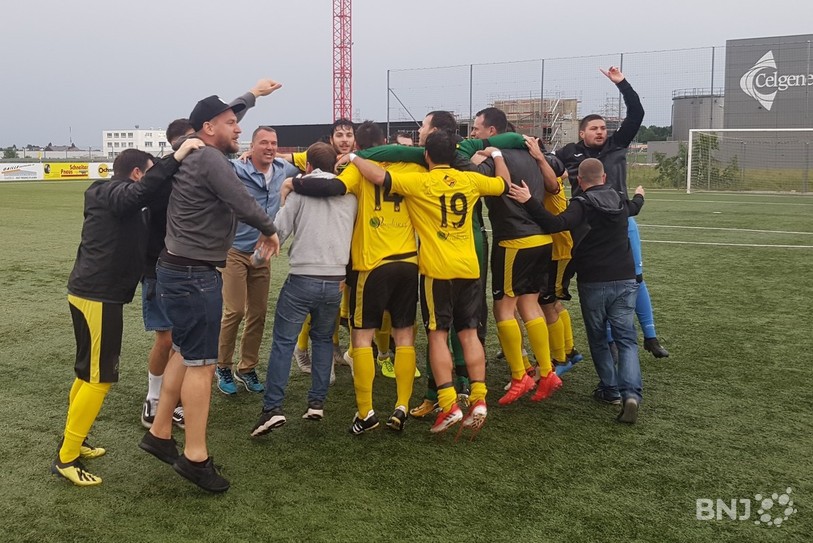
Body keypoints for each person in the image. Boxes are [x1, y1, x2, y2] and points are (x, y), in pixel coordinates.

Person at [139, 94, 280, 493]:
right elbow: (241, 200)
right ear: (208, 128)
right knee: (201, 364)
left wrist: (251, 95)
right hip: (193, 276)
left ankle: (161, 432)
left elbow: (215, 113)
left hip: (180, 270)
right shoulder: (209, 159)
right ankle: (196, 456)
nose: (239, 128)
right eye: (232, 122)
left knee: (185, 354)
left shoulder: (200, 153)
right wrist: (270, 230)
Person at [52, 140, 203, 487]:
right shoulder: (111, 192)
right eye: (149, 175)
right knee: (99, 378)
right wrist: (176, 156)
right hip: (97, 297)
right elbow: (139, 193)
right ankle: (66, 458)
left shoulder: (117, 197)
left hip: (96, 295)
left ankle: (73, 440)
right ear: (137, 173)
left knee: (85, 373)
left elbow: (149, 199)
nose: (152, 183)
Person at [349, 131, 510, 439]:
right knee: (469, 333)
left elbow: (380, 177)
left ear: (427, 156)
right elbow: (502, 184)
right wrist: (497, 155)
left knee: (438, 335)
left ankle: (449, 403)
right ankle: (479, 398)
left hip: (438, 272)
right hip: (469, 269)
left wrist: (356, 157)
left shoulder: (421, 182)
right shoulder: (470, 179)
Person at [285, 121, 423, 434]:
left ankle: (366, 413)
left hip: (372, 263)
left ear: (358, 144)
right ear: (385, 141)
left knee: (361, 337)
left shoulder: (357, 168)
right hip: (408, 262)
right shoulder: (411, 167)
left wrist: (295, 184)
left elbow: (332, 188)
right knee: (404, 335)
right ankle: (401, 405)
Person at [507, 158, 645, 423]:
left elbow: (554, 224)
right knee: (626, 340)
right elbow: (635, 208)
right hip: (626, 279)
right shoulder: (618, 199)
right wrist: (639, 195)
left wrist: (528, 200)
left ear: (579, 181)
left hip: (594, 281)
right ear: (604, 177)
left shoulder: (581, 205)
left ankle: (610, 389)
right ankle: (631, 395)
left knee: (599, 338)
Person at [556, 66, 669, 359]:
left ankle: (650, 334)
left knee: (636, 278)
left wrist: (622, 84)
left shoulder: (617, 144)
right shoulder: (569, 152)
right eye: (594, 128)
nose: (601, 132)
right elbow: (545, 166)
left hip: (621, 221)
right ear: (582, 132)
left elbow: (637, 114)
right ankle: (609, 341)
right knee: (592, 282)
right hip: (584, 225)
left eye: (603, 128)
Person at [251, 143, 357, 437]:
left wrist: (255, 259)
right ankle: (316, 403)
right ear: (335, 166)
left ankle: (272, 409)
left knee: (284, 343)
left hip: (302, 278)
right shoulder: (350, 196)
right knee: (323, 339)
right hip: (335, 279)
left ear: (307, 166)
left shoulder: (299, 193)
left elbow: (277, 233)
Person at [470, 107, 563, 405]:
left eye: (477, 129)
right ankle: (547, 372)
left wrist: (477, 158)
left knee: (503, 309)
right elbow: (553, 183)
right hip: (540, 239)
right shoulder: (531, 154)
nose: (473, 134)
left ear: (492, 132)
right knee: (529, 304)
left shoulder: (498, 157)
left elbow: (476, 177)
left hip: (514, 240)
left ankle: (519, 375)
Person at [215, 122, 300, 396]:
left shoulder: (283, 170)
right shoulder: (236, 169)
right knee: (235, 310)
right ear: (251, 147)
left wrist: (287, 157)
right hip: (234, 251)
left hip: (263, 253)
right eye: (264, 143)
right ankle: (222, 365)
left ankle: (247, 367)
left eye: (274, 144)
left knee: (258, 313)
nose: (270, 147)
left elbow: (313, 160)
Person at [140, 119, 194, 430]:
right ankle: (154, 398)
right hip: (157, 268)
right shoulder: (160, 175)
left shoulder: (196, 172)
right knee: (166, 339)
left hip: (190, 268)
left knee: (185, 340)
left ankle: (175, 398)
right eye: (185, 141)